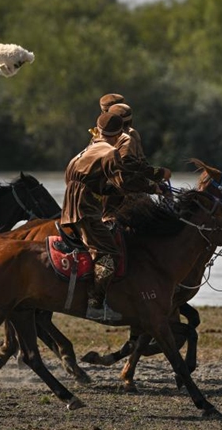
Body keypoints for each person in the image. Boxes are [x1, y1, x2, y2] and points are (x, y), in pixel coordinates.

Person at [61, 112, 171, 321]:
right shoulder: (110, 152)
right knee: (109, 253)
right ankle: (95, 304)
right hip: (86, 209)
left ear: (99, 129)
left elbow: (81, 181)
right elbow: (125, 183)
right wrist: (154, 187)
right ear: (120, 134)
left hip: (70, 205)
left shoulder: (86, 150)